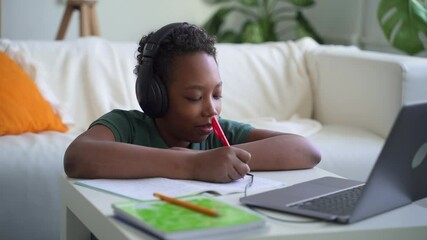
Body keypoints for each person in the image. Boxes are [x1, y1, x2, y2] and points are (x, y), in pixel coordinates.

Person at [64, 22, 321, 183]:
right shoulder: (126, 126)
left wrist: (221, 159)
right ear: (155, 95)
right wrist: (192, 165)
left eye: (217, 95)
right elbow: (77, 157)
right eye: (195, 97)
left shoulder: (220, 137)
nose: (211, 109)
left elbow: (306, 151)